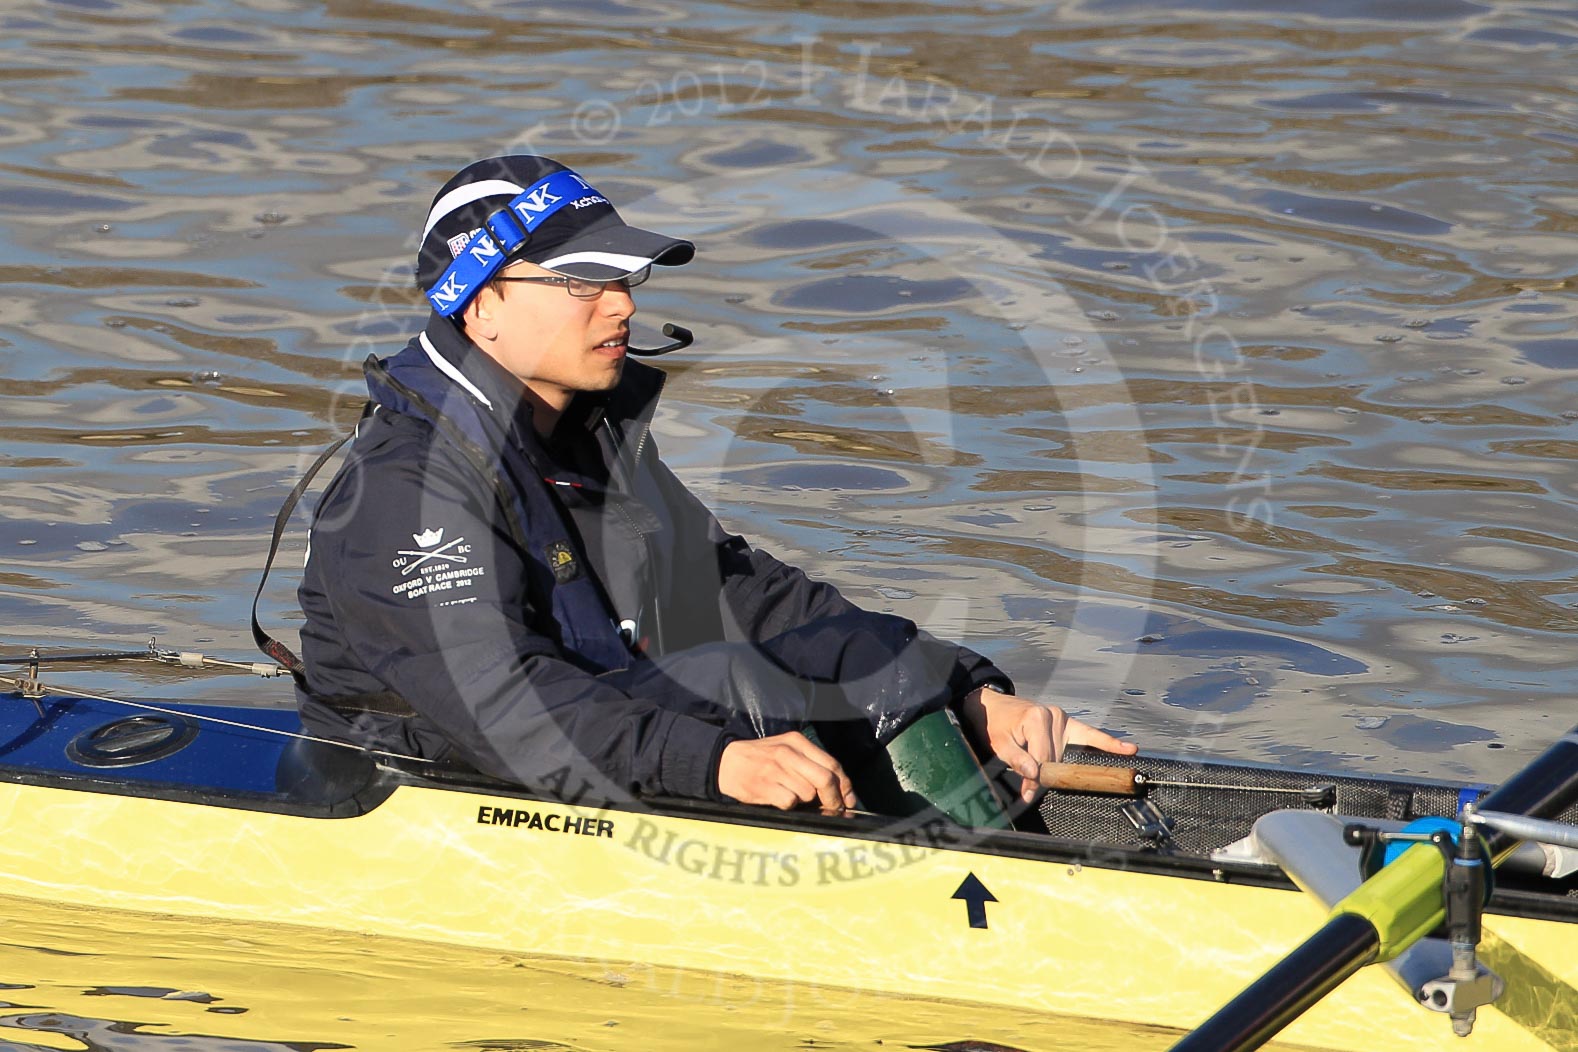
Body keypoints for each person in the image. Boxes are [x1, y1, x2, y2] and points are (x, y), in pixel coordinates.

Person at [293, 154, 1135, 814]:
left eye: (622, 279)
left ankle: (966, 817)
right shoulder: (402, 492)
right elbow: (504, 702)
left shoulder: (583, 440)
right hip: (421, 796)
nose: (619, 306)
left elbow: (743, 597)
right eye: (583, 282)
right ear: (481, 306)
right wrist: (720, 762)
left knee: (826, 668)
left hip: (592, 745)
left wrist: (962, 691)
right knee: (734, 695)